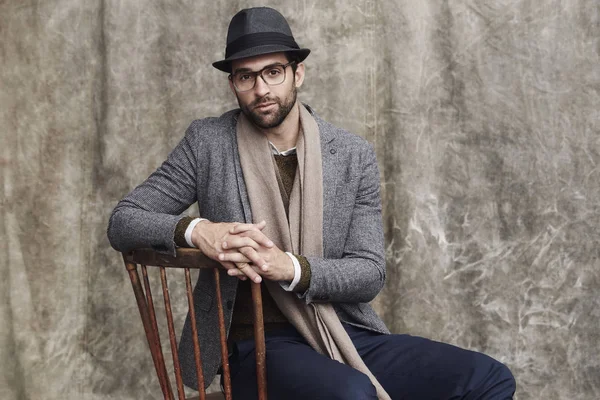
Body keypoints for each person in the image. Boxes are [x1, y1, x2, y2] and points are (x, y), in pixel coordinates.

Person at [107, 6, 516, 400]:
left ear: (297, 73)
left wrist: (291, 268)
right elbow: (124, 220)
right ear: (233, 83)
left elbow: (369, 272)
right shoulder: (208, 143)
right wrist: (199, 231)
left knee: (488, 379)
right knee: (351, 394)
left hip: (339, 328)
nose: (261, 89)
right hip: (255, 346)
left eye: (273, 72)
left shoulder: (352, 154)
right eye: (245, 77)